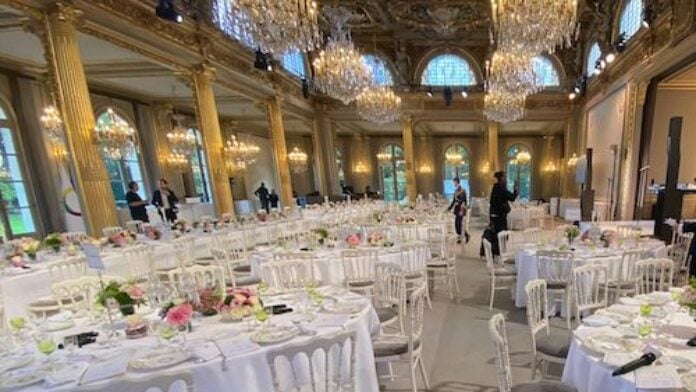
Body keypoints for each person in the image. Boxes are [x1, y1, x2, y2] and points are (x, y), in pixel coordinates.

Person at [447, 177, 470, 244]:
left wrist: (462, 210)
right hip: (457, 209)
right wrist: (449, 208)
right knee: (456, 224)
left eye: (454, 182)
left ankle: (465, 236)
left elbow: (464, 201)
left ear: (457, 182)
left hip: (461, 210)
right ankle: (461, 237)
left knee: (459, 224)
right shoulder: (456, 190)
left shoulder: (463, 190)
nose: (454, 183)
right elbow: (454, 201)